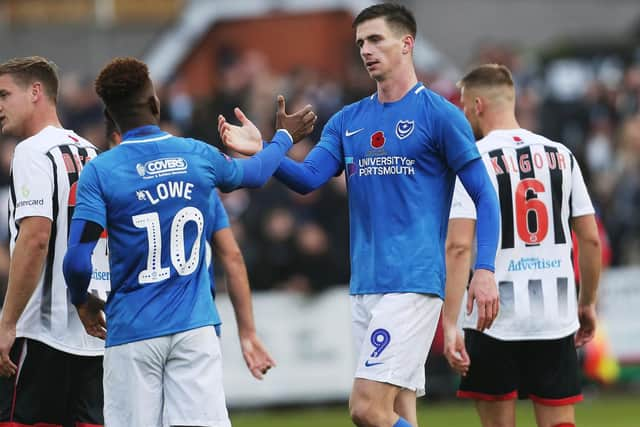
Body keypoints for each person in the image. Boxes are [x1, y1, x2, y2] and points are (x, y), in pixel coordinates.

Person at [218, 4, 501, 427]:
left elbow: (484, 193)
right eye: (360, 43)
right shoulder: (348, 120)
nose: (366, 50)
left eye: (375, 39)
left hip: (412, 282)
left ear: (406, 44)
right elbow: (307, 178)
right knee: (397, 412)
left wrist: (485, 268)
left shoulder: (440, 115)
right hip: (365, 284)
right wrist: (266, 149)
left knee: (365, 409)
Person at [62, 57, 314, 427]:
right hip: (194, 327)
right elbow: (258, 173)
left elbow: (78, 261)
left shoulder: (100, 172)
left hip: (133, 331)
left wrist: (83, 303)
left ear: (111, 116)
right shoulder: (196, 155)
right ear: (155, 105)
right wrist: (282, 138)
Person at [443, 64, 601, 427]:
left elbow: (458, 246)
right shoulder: (561, 154)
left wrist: (450, 322)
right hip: (554, 312)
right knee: (559, 421)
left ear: (478, 105)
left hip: (492, 314)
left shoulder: (473, 160)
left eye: (465, 107)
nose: (465, 115)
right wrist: (587, 302)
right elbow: (590, 238)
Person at [106, 119, 276, 380]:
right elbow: (232, 256)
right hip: (196, 324)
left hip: (135, 326)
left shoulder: (107, 186)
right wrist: (248, 332)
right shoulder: (200, 187)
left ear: (117, 139)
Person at [0, 56, 105, 426]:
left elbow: (36, 239)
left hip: (42, 333)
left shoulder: (31, 151)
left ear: (36, 91)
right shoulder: (92, 153)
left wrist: (7, 322)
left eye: (4, 94)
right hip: (92, 335)